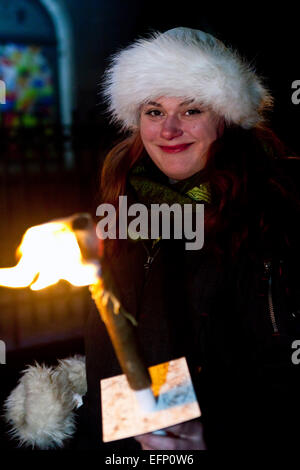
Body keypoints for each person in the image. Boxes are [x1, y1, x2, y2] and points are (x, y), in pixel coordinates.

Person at [5, 26, 299, 451]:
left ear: (227, 118)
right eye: (154, 111)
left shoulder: (276, 213)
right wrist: (112, 410)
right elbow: (137, 349)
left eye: (192, 110)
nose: (169, 129)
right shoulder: (124, 205)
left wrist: (217, 432)